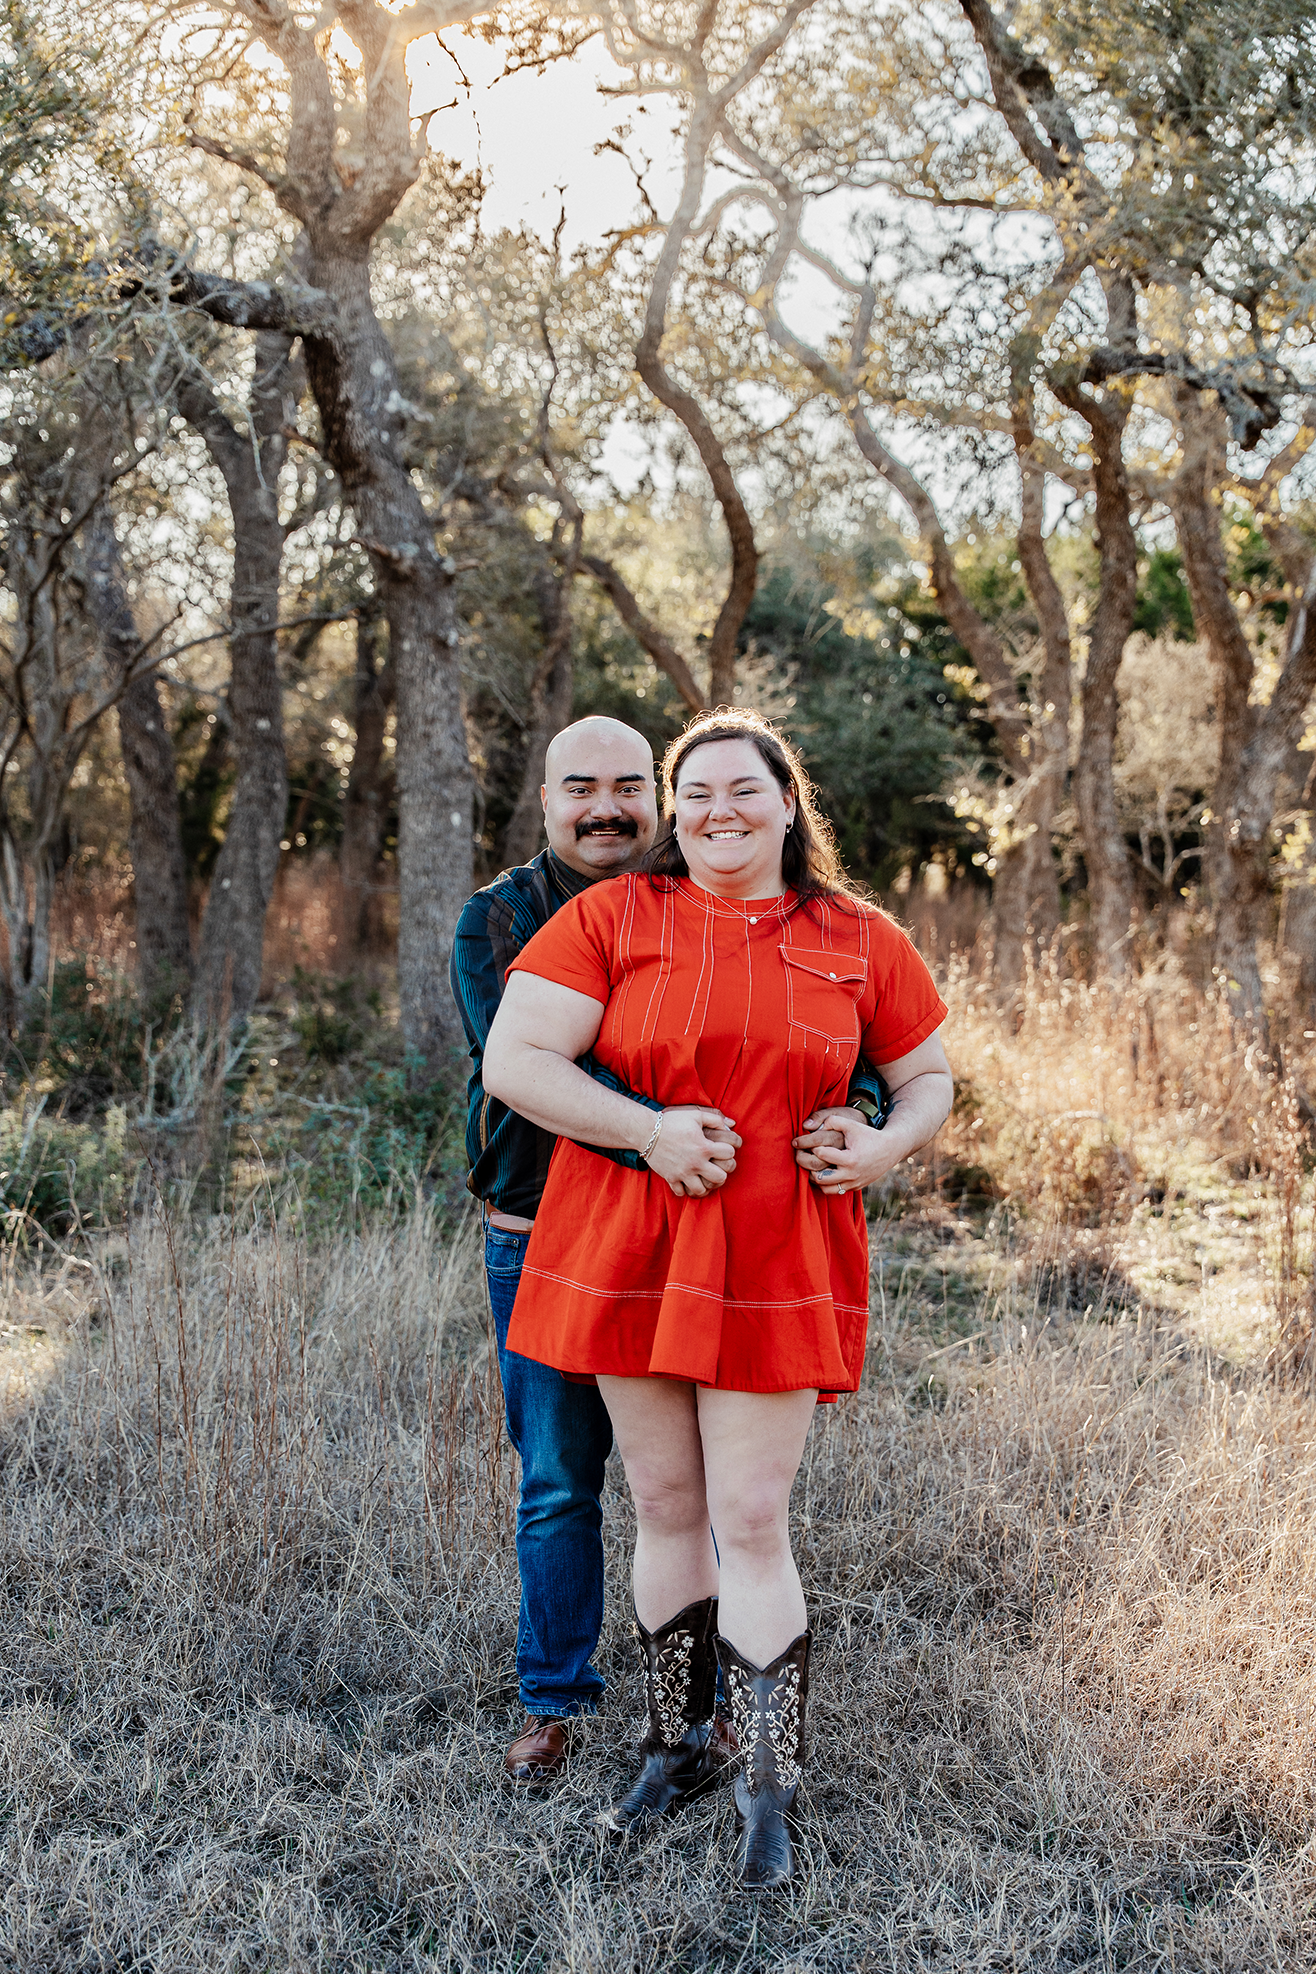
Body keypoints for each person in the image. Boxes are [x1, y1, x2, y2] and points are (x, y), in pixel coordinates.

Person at [482, 708, 953, 1886]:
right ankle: (671, 1744)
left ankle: (768, 1780)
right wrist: (645, 1130)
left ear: (788, 805)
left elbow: (928, 1076)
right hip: (628, 1241)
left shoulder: (856, 936)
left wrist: (882, 1146)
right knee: (662, 1506)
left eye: (741, 791)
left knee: (748, 1515)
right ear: (670, 810)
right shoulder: (611, 916)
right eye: (692, 795)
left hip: (774, 1251)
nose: (716, 813)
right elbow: (517, 1063)